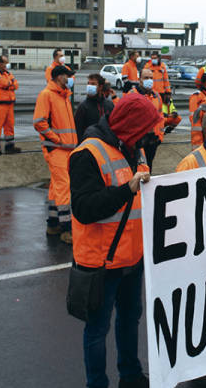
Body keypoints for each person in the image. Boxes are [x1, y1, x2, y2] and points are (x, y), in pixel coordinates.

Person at [69, 92, 160, 388]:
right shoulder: (88, 153)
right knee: (97, 329)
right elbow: (84, 209)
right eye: (146, 126)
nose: (150, 132)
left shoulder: (134, 147)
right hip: (101, 261)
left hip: (132, 257)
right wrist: (126, 190)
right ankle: (97, 383)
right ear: (132, 125)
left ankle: (130, 375)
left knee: (130, 319)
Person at [34, 65, 78, 244]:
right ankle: (67, 230)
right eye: (68, 76)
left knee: (56, 188)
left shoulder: (63, 95)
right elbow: (39, 122)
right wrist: (56, 139)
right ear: (60, 77)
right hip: (57, 149)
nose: (70, 79)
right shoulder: (47, 95)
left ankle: (53, 224)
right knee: (64, 187)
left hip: (65, 148)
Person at [130, 69, 164, 169]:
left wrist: (160, 136)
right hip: (137, 140)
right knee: (137, 168)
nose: (149, 80)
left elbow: (160, 117)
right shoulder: (132, 94)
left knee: (149, 166)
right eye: (146, 78)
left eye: (151, 78)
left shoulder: (157, 96)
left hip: (152, 139)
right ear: (139, 79)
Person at [0, 55, 21, 155]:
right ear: (0, 64)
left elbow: (15, 84)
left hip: (9, 103)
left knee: (9, 125)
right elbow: (5, 83)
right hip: (0, 104)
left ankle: (9, 147)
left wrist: (9, 85)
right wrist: (10, 84)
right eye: (5, 62)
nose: (7, 64)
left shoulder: (7, 73)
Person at [75, 74, 114, 141]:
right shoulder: (83, 107)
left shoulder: (109, 105)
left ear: (100, 87)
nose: (89, 86)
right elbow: (78, 131)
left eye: (93, 84)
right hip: (89, 146)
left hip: (107, 146)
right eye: (88, 84)